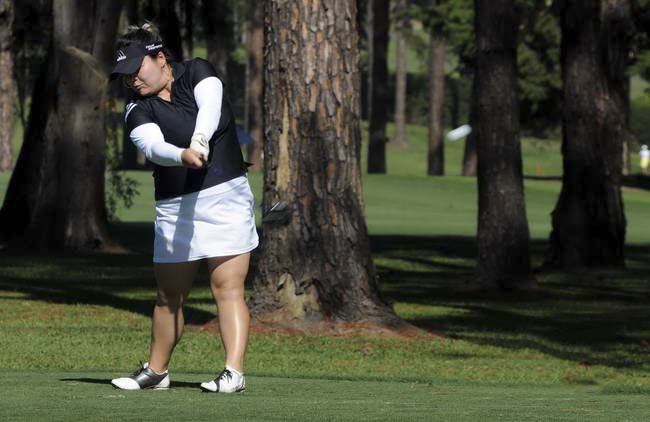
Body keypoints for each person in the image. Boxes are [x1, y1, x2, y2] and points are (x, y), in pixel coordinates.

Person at [108, 23, 258, 393]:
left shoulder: (198, 72)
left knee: (227, 287)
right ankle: (156, 372)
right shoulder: (136, 108)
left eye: (136, 72)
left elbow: (211, 106)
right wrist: (182, 155)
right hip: (174, 206)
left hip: (226, 195)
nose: (132, 82)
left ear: (160, 58)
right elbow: (152, 145)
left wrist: (200, 142)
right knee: (168, 296)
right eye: (125, 77)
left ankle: (233, 373)